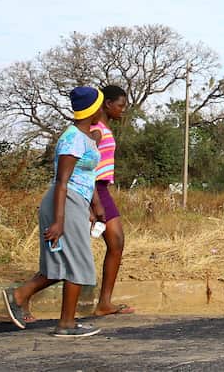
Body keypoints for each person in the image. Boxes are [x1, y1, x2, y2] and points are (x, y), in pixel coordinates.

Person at [3, 86, 105, 337]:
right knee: (78, 263)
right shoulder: (71, 139)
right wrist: (59, 222)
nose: (103, 110)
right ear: (94, 109)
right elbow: (63, 181)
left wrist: (94, 206)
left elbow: (85, 175)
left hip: (75, 202)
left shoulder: (86, 138)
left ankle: (19, 295)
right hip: (64, 202)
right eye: (101, 105)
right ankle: (66, 324)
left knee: (62, 264)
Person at [90, 84, 134, 317]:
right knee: (115, 243)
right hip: (94, 190)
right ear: (107, 104)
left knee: (116, 243)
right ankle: (22, 296)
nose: (122, 110)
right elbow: (84, 163)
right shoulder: (96, 129)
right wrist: (92, 202)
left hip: (102, 189)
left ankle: (104, 303)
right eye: (120, 106)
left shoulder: (103, 127)